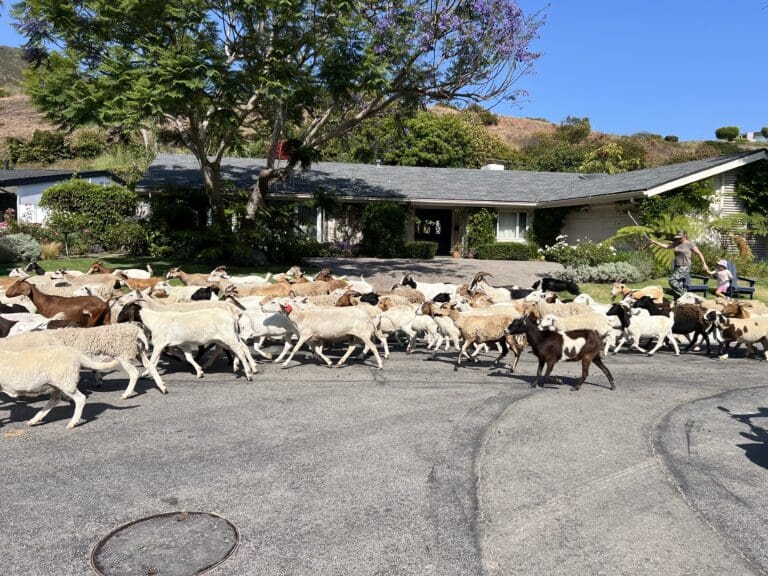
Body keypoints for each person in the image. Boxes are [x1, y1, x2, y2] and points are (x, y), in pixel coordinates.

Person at [649, 231, 712, 299]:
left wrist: (704, 264)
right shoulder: (676, 243)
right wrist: (655, 242)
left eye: (680, 237)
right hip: (677, 266)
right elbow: (667, 246)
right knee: (679, 284)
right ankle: (679, 301)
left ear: (685, 236)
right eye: (677, 237)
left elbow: (699, 253)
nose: (678, 239)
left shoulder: (690, 244)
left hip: (685, 266)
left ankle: (684, 295)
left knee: (672, 280)